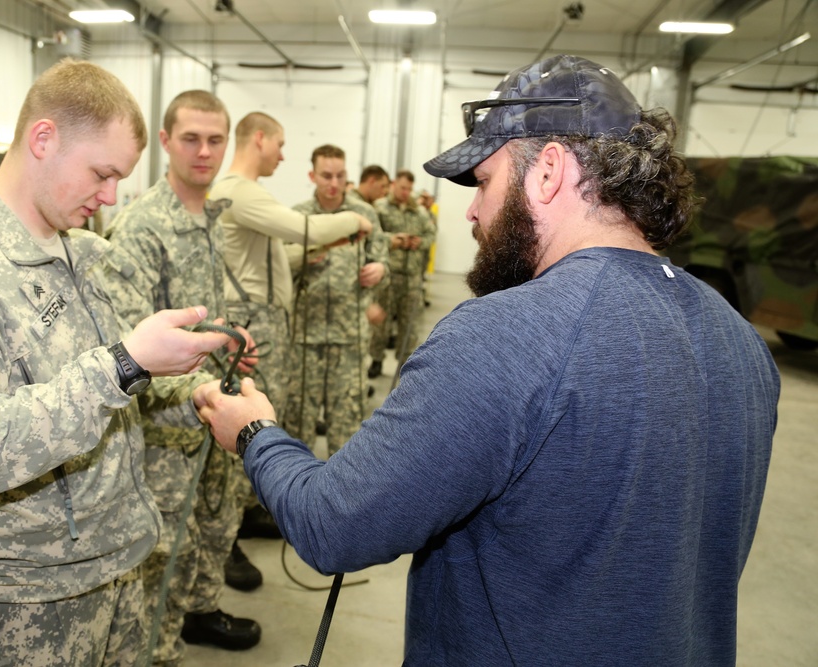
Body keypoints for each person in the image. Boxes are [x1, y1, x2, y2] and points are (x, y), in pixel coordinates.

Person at [194, 54, 780, 665]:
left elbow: (332, 524)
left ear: (548, 171)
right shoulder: (740, 342)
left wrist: (255, 434)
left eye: (485, 182)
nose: (472, 212)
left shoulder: (503, 336)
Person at [0, 59, 230, 666]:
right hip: (24, 606)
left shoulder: (76, 253)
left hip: (116, 568)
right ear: (43, 139)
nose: (111, 197)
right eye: (101, 173)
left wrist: (195, 397)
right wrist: (122, 365)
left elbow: (116, 399)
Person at [98, 90, 261, 663]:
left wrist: (228, 346)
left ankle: (196, 616)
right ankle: (159, 654)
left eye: (216, 139)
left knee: (204, 538)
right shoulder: (143, 227)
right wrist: (197, 390)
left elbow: (197, 317)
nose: (204, 151)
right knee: (156, 569)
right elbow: (123, 351)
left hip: (207, 420)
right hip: (164, 436)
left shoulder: (210, 216)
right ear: (165, 142)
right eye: (190, 138)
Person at [209, 113, 372, 538]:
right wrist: (355, 221)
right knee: (247, 417)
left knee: (264, 411)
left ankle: (246, 508)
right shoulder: (237, 193)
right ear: (259, 139)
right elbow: (302, 229)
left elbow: (283, 253)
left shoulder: (249, 193)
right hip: (251, 321)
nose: (282, 155)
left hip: (267, 319)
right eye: (279, 145)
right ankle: (233, 523)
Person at [284, 145, 388, 455]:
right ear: (312, 175)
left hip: (350, 338)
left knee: (346, 426)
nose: (333, 183)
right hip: (305, 338)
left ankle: (340, 499)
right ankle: (292, 495)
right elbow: (279, 269)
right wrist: (303, 258)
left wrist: (380, 269)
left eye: (340, 176)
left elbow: (383, 258)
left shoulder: (364, 215)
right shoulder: (298, 217)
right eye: (326, 176)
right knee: (297, 423)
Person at [367, 170, 435, 379]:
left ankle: (403, 363)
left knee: (409, 324)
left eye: (409, 189)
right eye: (402, 187)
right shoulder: (380, 208)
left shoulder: (419, 212)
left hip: (412, 277)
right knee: (382, 324)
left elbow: (430, 234)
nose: (406, 192)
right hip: (389, 274)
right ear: (394, 184)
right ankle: (376, 360)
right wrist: (395, 239)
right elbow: (373, 235)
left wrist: (419, 242)